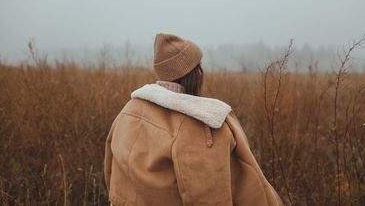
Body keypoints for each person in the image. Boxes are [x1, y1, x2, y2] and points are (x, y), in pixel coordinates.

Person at [104, 33, 283, 206]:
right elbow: (207, 196)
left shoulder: (128, 111)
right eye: (199, 66)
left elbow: (110, 171)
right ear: (195, 73)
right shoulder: (200, 124)